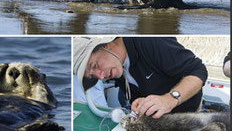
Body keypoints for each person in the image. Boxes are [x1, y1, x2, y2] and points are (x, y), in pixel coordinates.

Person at [73, 37, 208, 119]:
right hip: (157, 123)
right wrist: (139, 104)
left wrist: (170, 99)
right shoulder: (115, 67)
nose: (100, 76)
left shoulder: (149, 40)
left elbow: (198, 70)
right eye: (92, 76)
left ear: (105, 46)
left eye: (95, 65)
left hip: (187, 115)